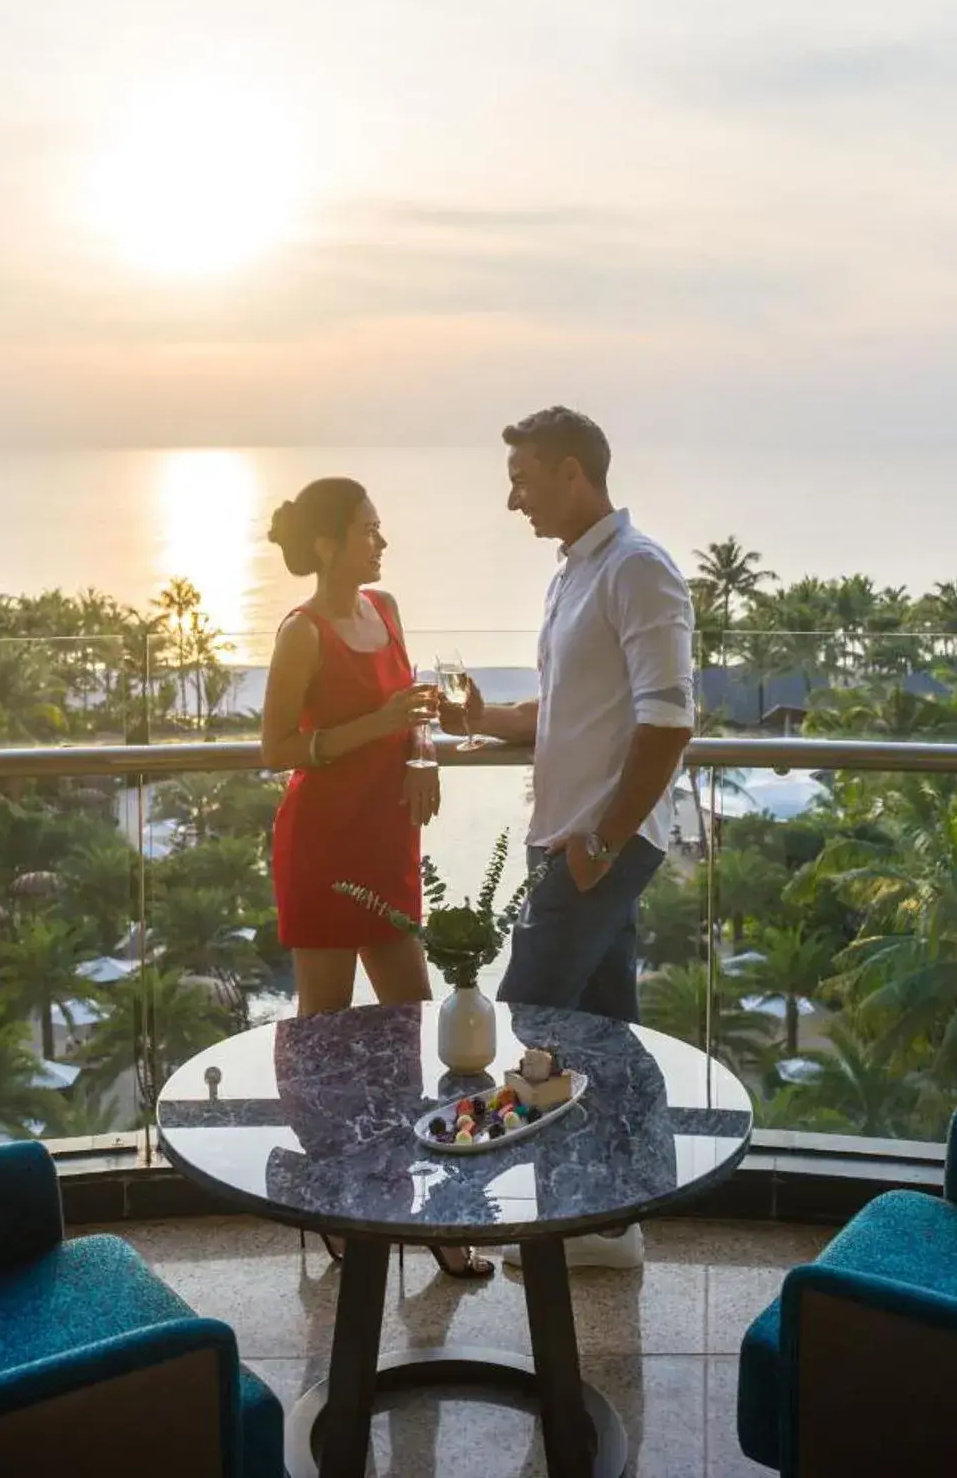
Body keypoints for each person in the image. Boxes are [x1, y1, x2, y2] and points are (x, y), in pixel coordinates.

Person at [450, 407, 696, 1269]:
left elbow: (667, 722)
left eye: (523, 477)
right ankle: (606, 1220)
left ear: (571, 474)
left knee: (529, 1013)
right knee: (602, 1026)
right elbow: (571, 712)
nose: (513, 497)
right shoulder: (575, 574)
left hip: (599, 847)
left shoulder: (638, 571)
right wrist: (484, 719)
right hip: (567, 841)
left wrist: (598, 842)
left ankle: (472, 1210)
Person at [259, 475, 491, 1282]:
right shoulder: (303, 632)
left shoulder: (384, 610)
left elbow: (411, 712)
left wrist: (419, 752)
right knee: (325, 1037)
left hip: (386, 842)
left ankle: (424, 1211)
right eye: (367, 529)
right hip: (322, 844)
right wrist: (378, 727)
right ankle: (334, 1204)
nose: (381, 541)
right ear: (328, 543)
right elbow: (277, 747)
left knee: (406, 1030)